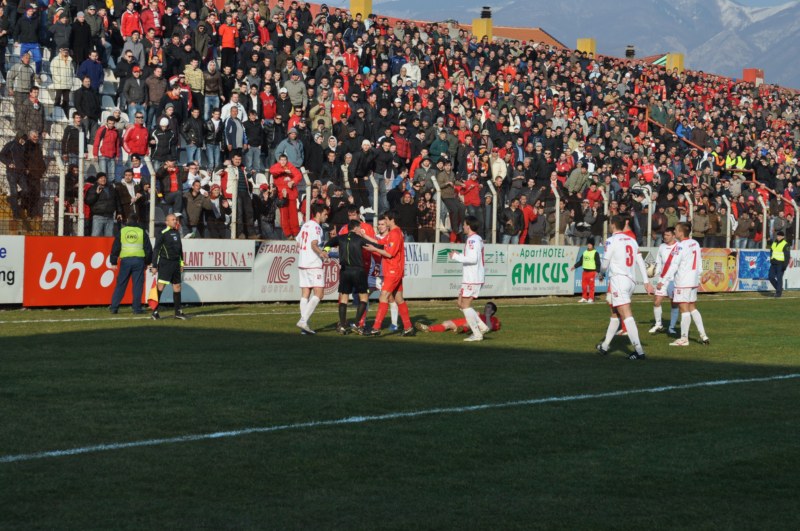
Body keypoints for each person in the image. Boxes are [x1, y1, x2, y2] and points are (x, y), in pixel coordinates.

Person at [596, 215, 653, 360]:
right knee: (615, 312)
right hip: (630, 280)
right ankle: (605, 346)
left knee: (626, 314)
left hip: (619, 280)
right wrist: (646, 281)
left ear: (613, 225)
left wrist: (601, 273)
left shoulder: (611, 240)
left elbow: (605, 262)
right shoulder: (632, 240)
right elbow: (640, 261)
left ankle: (639, 351)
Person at [324, 219, 383, 334]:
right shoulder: (360, 239)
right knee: (364, 298)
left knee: (344, 298)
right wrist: (382, 247)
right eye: (360, 228)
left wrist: (325, 251)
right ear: (356, 228)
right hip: (358, 271)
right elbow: (375, 245)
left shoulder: (340, 238)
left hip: (345, 271)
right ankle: (356, 324)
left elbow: (329, 243)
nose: (361, 229)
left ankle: (342, 326)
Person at [362, 211, 416, 337]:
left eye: (386, 219)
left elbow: (389, 253)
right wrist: (365, 237)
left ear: (392, 220)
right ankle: (408, 327)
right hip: (394, 270)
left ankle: (376, 328)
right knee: (399, 299)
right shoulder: (393, 233)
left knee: (383, 297)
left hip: (393, 270)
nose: (385, 222)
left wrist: (374, 249)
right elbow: (380, 242)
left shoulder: (395, 233)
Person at [657, 222, 709, 346]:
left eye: (676, 230)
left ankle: (684, 339)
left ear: (681, 232)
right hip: (693, 281)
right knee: (692, 307)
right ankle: (703, 335)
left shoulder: (679, 246)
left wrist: (662, 281)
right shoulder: (695, 243)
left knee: (684, 309)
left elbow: (673, 265)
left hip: (683, 281)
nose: (674, 232)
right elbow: (699, 262)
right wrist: (699, 276)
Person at [446, 215, 490, 341]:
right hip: (472, 277)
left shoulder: (472, 240)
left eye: (464, 224)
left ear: (469, 226)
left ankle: (477, 333)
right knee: (461, 303)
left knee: (465, 305)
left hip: (472, 277)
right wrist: (459, 254)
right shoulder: (475, 238)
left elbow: (473, 259)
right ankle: (482, 326)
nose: (463, 227)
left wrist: (456, 256)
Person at [108, 213, 153, 314]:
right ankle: (136, 309)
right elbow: (148, 249)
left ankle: (114, 307)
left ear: (128, 220)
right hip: (139, 260)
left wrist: (113, 261)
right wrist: (148, 262)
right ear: (138, 220)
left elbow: (116, 247)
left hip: (125, 261)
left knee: (121, 284)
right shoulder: (142, 231)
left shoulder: (123, 231)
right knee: (137, 285)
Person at [295, 204, 330, 334]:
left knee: (305, 294)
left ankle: (304, 327)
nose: (327, 216)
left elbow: (298, 242)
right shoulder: (316, 227)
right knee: (319, 294)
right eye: (325, 214)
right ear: (318, 214)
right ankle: (303, 321)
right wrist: (321, 253)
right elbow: (313, 244)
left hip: (302, 262)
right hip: (313, 263)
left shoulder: (305, 225)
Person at [150, 213, 187, 320]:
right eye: (172, 219)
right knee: (160, 286)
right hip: (165, 263)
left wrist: (181, 263)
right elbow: (156, 250)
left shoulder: (176, 232)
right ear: (167, 222)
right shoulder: (162, 233)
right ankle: (154, 312)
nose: (175, 221)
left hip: (176, 264)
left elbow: (180, 249)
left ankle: (178, 312)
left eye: (175, 219)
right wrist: (154, 265)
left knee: (177, 286)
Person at [649, 227, 680, 335]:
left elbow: (676, 265)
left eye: (668, 235)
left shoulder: (679, 247)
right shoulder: (662, 246)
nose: (665, 237)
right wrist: (654, 273)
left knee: (674, 303)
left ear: (674, 236)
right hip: (662, 279)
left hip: (674, 280)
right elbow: (658, 262)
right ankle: (658, 324)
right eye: (664, 235)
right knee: (656, 301)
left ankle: (672, 327)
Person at [417, 302, 501, 335]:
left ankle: (462, 329)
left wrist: (487, 316)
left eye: (488, 307)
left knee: (470, 323)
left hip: (471, 324)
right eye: (485, 306)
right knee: (446, 323)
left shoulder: (494, 319)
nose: (485, 308)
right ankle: (428, 328)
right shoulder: (479, 314)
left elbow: (489, 328)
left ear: (492, 311)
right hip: (464, 321)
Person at [570, 238, 601, 303]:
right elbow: (581, 261)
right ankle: (584, 297)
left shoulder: (595, 253)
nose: (589, 245)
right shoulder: (585, 252)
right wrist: (574, 266)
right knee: (584, 286)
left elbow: (598, 263)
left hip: (592, 272)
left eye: (590, 244)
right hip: (585, 272)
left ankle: (591, 298)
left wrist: (597, 271)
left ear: (592, 245)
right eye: (588, 244)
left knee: (591, 286)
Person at [768, 230, 790, 298]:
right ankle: (779, 288)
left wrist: (785, 265)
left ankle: (778, 293)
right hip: (773, 263)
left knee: (779, 278)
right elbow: (771, 251)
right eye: (778, 236)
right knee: (770, 277)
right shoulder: (774, 243)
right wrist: (771, 258)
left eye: (780, 236)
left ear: (783, 237)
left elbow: (787, 256)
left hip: (780, 264)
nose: (778, 237)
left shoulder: (785, 244)